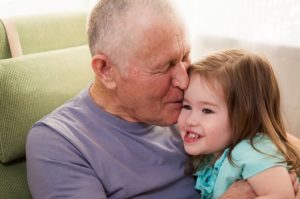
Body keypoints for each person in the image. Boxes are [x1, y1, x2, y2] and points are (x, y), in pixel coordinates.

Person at [26, 0, 299, 198]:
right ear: (106, 70)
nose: (183, 79)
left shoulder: (187, 101)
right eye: (164, 66)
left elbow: (270, 138)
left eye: (185, 57)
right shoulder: (58, 143)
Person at [178, 48, 300, 199]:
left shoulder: (252, 149)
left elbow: (282, 196)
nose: (190, 120)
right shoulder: (212, 152)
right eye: (186, 106)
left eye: (207, 111)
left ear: (245, 115)